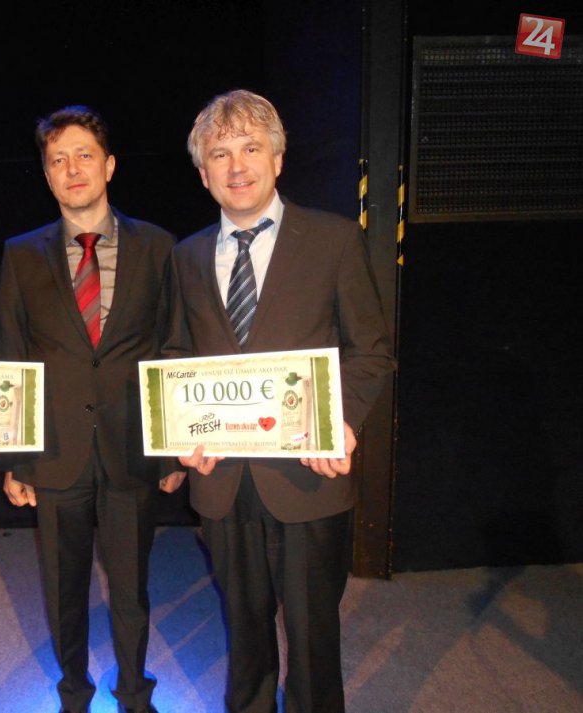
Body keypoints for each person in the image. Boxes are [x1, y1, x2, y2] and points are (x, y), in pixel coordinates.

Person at [165, 90, 396, 712]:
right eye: (220, 154)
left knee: (314, 637)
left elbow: (371, 351)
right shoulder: (185, 257)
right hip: (222, 481)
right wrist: (181, 434)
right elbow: (176, 357)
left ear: (278, 157)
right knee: (244, 635)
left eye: (251, 148)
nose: (237, 166)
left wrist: (342, 422)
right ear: (203, 173)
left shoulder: (334, 240)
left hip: (307, 477)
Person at [0, 106, 179, 713]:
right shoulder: (21, 254)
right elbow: (10, 355)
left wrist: (172, 448)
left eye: (84, 156)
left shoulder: (159, 246)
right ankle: (74, 693)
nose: (72, 169)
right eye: (58, 160)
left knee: (131, 588)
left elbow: (172, 348)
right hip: (54, 450)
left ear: (110, 165)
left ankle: (135, 694)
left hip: (132, 446)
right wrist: (15, 458)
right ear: (47, 175)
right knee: (62, 588)